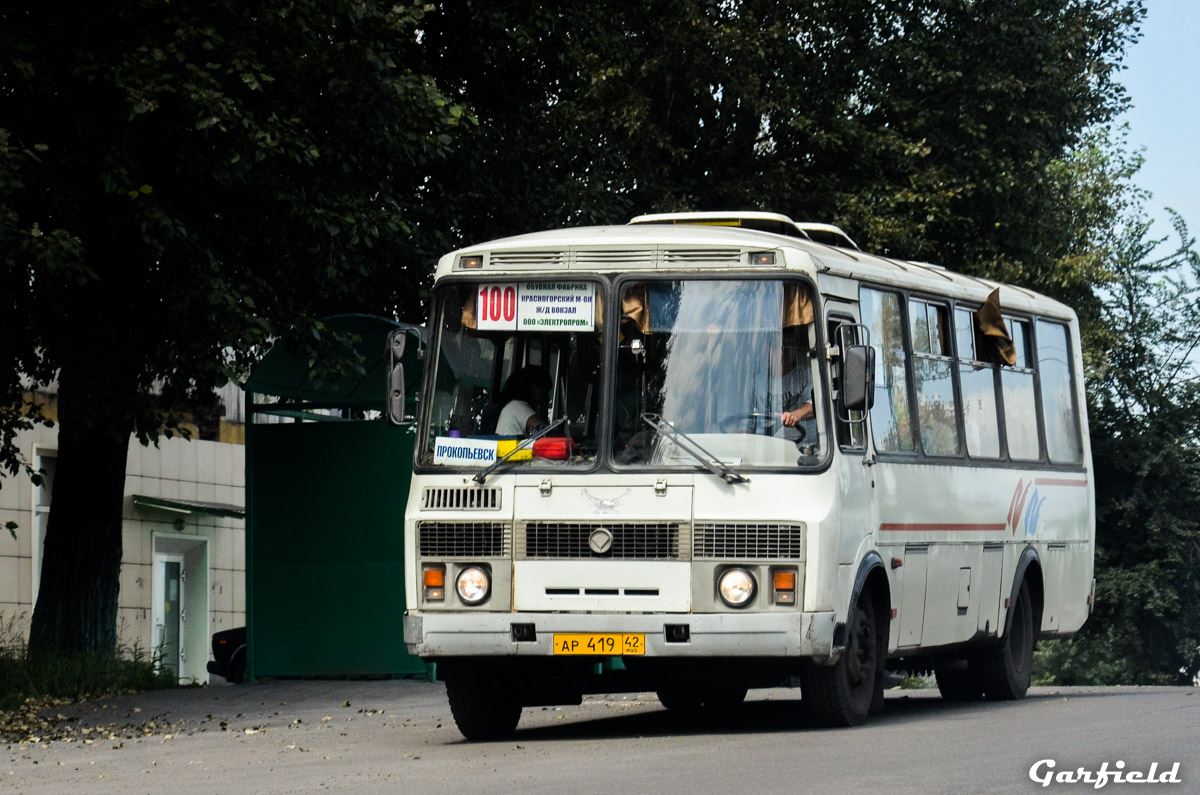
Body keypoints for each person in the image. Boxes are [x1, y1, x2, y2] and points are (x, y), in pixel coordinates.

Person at [779, 330, 815, 443]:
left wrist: (796, 415)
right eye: (782, 345)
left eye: (791, 344)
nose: (787, 350)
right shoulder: (759, 380)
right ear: (769, 348)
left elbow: (814, 407)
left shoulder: (806, 375)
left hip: (804, 449)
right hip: (768, 448)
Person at [494, 365, 552, 436]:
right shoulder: (518, 407)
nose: (543, 398)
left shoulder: (511, 406)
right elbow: (545, 432)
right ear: (532, 386)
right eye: (542, 392)